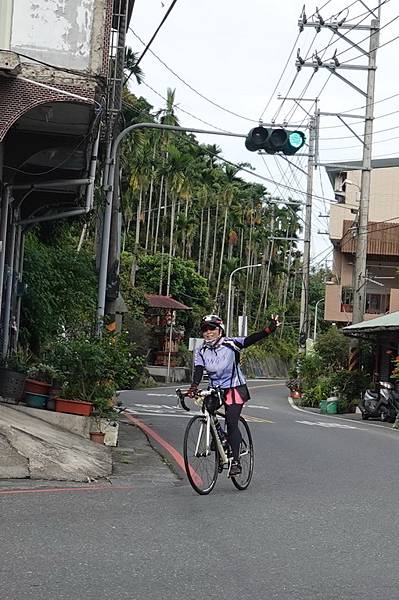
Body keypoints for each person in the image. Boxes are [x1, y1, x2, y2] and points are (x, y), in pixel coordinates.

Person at [187, 313, 280, 476]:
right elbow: (199, 370)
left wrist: (269, 329)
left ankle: (236, 461)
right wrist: (193, 387)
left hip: (235, 388)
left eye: (212, 329)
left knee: (231, 420)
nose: (208, 332)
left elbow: (251, 339)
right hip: (215, 388)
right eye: (205, 330)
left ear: (220, 330)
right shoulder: (201, 350)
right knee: (207, 409)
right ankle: (221, 438)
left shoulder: (231, 343)